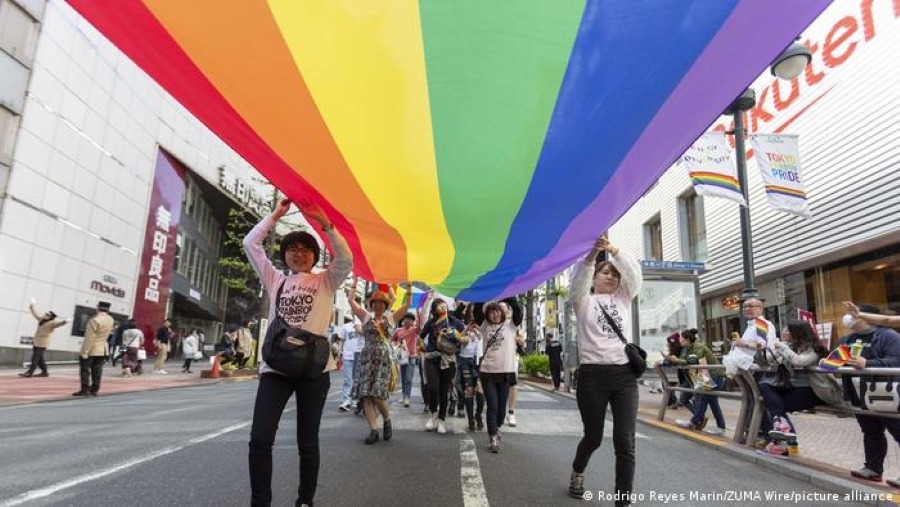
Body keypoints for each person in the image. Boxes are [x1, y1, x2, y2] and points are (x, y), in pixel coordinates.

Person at [243, 197, 351, 507]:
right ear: (285, 256)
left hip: (314, 371)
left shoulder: (327, 280)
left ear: (315, 256)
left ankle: (305, 500)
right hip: (275, 369)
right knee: (260, 439)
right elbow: (251, 244)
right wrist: (276, 215)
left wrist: (326, 225)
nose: (299, 253)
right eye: (293, 249)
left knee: (307, 441)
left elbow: (344, 258)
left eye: (306, 249)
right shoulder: (275, 279)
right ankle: (260, 501)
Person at [567, 235, 641, 505]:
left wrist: (614, 251)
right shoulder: (583, 302)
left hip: (624, 377)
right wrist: (590, 257)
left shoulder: (623, 298)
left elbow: (634, 275)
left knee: (625, 440)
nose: (610, 276)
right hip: (592, 377)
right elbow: (576, 284)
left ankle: (623, 499)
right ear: (595, 278)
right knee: (594, 437)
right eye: (605, 271)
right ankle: (578, 471)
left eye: (614, 274)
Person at [833, 304, 900, 484]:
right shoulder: (846, 340)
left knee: (897, 431)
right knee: (870, 431)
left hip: (887, 393)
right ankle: (872, 468)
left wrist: (868, 363)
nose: (848, 318)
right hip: (859, 394)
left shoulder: (889, 336)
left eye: (852, 314)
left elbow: (896, 360)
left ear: (866, 317)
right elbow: (834, 362)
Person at [348, 279, 411, 444]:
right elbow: (350, 301)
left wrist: (409, 286)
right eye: (375, 302)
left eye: (381, 303)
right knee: (366, 395)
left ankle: (387, 418)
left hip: (383, 360)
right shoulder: (365, 316)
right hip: (366, 359)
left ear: (385, 305)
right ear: (371, 304)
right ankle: (374, 430)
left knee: (378, 395)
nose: (378, 305)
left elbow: (406, 305)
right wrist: (354, 281)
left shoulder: (391, 318)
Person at [756, 320, 832, 456]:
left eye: (787, 330)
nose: (784, 332)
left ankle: (784, 442)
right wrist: (761, 350)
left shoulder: (814, 348)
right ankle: (786, 440)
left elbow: (799, 361)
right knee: (765, 385)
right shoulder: (788, 346)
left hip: (812, 390)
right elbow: (767, 361)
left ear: (797, 332)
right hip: (791, 388)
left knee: (776, 407)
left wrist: (781, 347)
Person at [474, 298, 523, 452]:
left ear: (502, 313)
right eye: (491, 312)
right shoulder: (485, 327)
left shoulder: (511, 326)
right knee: (493, 406)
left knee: (502, 409)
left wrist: (506, 293)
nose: (494, 315)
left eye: (497, 312)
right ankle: (493, 436)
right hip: (488, 372)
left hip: (506, 372)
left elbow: (517, 310)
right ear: (487, 315)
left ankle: (497, 427)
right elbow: (477, 309)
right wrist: (486, 292)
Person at [420, 297, 464, 434]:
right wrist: (425, 349)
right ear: (434, 309)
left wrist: (458, 341)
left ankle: (441, 420)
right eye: (438, 305)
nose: (442, 306)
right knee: (433, 387)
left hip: (448, 359)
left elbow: (464, 337)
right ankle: (433, 416)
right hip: (432, 358)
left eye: (443, 303)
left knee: (444, 390)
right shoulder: (431, 322)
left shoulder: (455, 322)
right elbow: (421, 337)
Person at [672, 329, 727, 436]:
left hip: (714, 375)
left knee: (704, 398)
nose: (679, 340)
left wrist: (676, 360)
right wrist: (674, 360)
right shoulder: (688, 348)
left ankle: (694, 422)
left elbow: (692, 361)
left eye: (681, 338)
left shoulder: (698, 347)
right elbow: (685, 359)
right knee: (712, 401)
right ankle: (720, 427)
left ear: (687, 339)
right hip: (705, 376)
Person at [721, 298, 776, 377]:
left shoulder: (761, 323)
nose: (747, 309)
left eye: (751, 306)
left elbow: (761, 345)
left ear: (760, 308)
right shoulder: (752, 324)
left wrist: (742, 343)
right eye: (744, 307)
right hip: (750, 368)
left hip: (758, 369)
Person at [73, 301, 114, 397]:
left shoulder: (95, 320)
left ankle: (85, 389)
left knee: (85, 369)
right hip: (103, 348)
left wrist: (85, 351)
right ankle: (95, 389)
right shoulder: (110, 319)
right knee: (97, 369)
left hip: (92, 348)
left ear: (98, 307)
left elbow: (89, 337)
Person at [20, 299, 67, 378]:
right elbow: (35, 314)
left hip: (42, 343)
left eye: (47, 314)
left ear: (51, 317)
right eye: (46, 313)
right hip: (36, 341)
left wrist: (65, 322)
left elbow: (59, 324)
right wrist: (32, 306)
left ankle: (30, 373)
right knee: (40, 359)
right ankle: (45, 372)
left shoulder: (52, 323)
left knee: (35, 358)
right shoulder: (42, 320)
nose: (45, 314)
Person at [457, 307, 485, 432]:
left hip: (480, 362)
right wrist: (466, 329)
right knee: (469, 391)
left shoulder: (485, 328)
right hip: (465, 361)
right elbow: (457, 340)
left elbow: (485, 341)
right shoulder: (464, 329)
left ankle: (478, 415)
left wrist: (479, 331)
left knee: (480, 391)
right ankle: (471, 420)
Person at [393, 309, 424, 408]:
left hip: (411, 357)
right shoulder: (398, 330)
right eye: (407, 318)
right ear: (404, 319)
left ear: (413, 321)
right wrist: (397, 344)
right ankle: (403, 396)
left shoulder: (414, 330)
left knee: (409, 379)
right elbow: (392, 340)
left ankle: (407, 398)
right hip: (402, 357)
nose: (408, 321)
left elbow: (420, 327)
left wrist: (418, 313)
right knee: (403, 378)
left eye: (411, 319)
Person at [339, 322, 362, 412]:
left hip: (359, 354)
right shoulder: (346, 326)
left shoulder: (363, 324)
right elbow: (342, 339)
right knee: (347, 380)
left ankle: (356, 399)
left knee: (358, 380)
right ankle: (346, 401)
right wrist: (340, 351)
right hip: (348, 356)